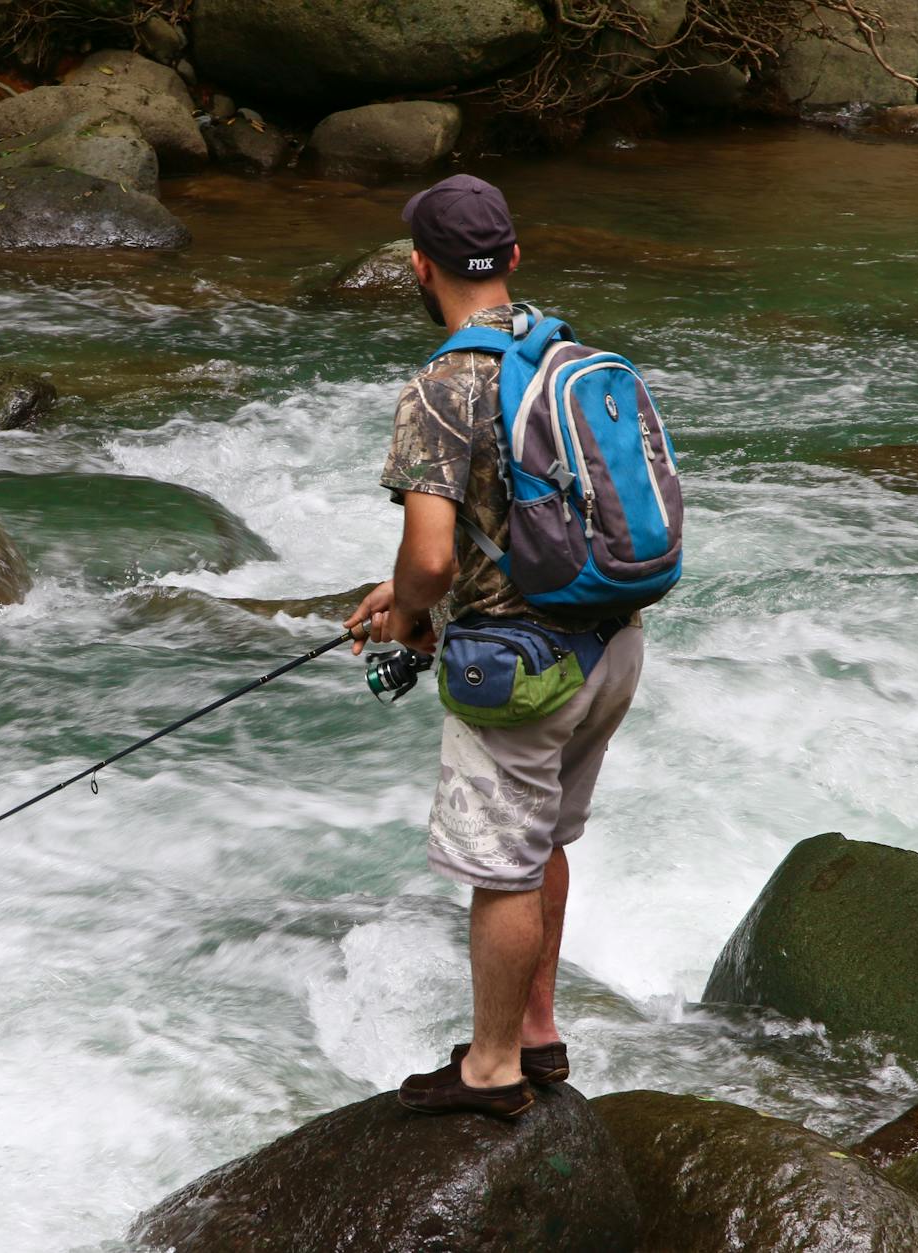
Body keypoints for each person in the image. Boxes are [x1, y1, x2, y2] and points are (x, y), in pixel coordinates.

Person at [346, 175, 647, 1120]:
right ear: (513, 258)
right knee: (545, 836)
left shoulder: (439, 389)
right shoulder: (571, 357)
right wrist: (417, 589)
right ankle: (536, 1031)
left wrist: (409, 609)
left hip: (521, 672)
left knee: (501, 866)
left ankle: (490, 1070)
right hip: (611, 644)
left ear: (419, 267)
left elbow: (433, 557)